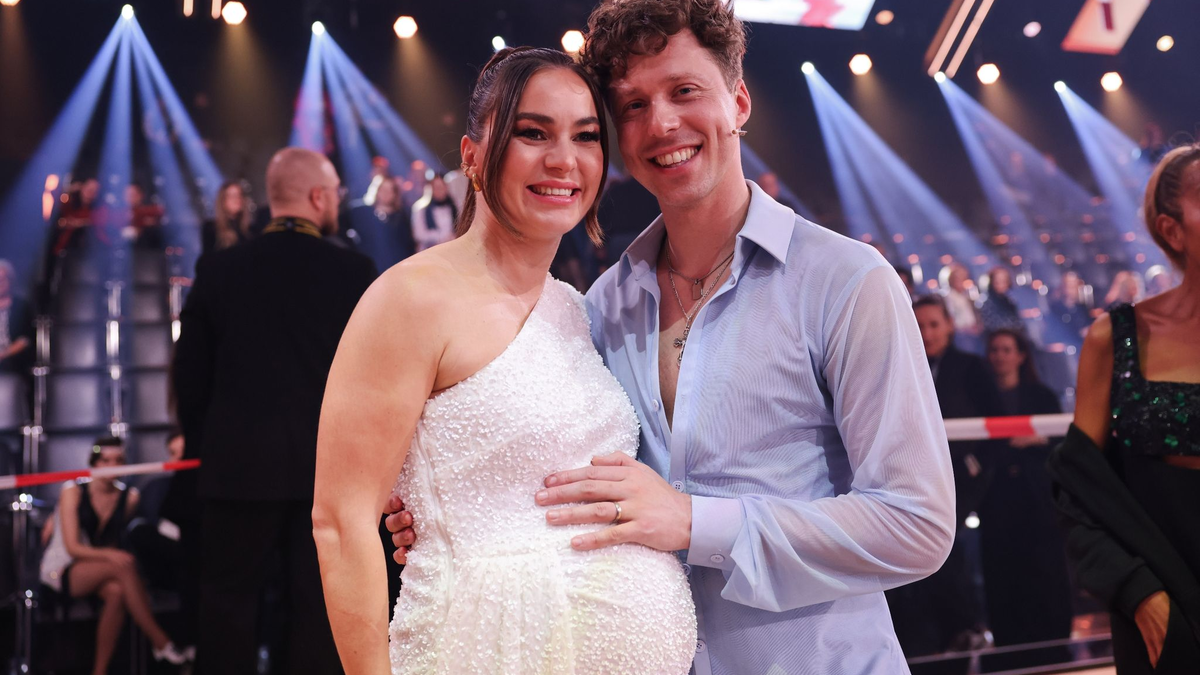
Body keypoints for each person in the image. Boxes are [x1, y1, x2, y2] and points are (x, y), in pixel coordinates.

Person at [389, 4, 956, 673]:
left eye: (684, 91)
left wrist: (695, 521)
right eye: (631, 105)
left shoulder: (846, 281)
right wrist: (460, 513)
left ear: (737, 100)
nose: (660, 123)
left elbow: (917, 524)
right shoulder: (600, 308)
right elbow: (577, 475)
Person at [314, 47, 697, 675]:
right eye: (532, 133)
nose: (563, 160)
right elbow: (340, 521)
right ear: (471, 156)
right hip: (478, 647)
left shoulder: (577, 309)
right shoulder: (409, 300)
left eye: (585, 136)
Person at [172, 147, 377, 674]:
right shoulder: (353, 271)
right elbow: (374, 381)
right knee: (315, 614)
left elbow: (188, 378)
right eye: (334, 193)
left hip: (237, 471)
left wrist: (207, 445)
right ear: (317, 197)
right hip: (326, 477)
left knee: (226, 613)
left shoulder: (218, 269)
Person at [1048, 143, 1200, 674]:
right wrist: (1141, 597)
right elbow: (1078, 494)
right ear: (1172, 229)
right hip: (1170, 612)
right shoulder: (1115, 339)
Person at [889, 295, 999, 656]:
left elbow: (994, 423)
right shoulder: (901, 366)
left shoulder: (971, 367)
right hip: (915, 483)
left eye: (934, 324)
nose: (927, 332)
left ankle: (971, 629)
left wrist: (975, 470)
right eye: (920, 325)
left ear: (950, 325)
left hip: (966, 489)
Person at [38, 437, 191, 673]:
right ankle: (162, 644)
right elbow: (72, 547)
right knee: (122, 564)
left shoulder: (129, 497)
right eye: (106, 460)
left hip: (97, 566)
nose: (112, 465)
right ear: (94, 463)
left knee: (118, 591)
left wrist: (110, 555)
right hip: (63, 566)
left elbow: (113, 539)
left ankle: (100, 671)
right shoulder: (73, 491)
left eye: (119, 460)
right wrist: (110, 555)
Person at [979, 329, 1073, 668]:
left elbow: (1063, 444)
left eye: (1006, 349)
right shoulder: (981, 396)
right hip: (997, 501)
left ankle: (1054, 646)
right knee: (1004, 575)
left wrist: (1036, 441)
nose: (1000, 355)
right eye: (995, 349)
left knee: (1044, 572)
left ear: (1020, 355)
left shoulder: (1041, 395)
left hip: (1037, 501)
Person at [350, 173, 414, 271]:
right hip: (370, 268)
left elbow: (407, 245)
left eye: (390, 190)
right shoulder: (362, 212)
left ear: (395, 194)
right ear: (377, 191)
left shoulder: (402, 216)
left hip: (396, 268)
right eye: (383, 190)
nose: (386, 193)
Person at [201, 180, 256, 255]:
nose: (237, 199)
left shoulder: (250, 230)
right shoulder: (211, 229)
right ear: (223, 201)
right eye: (232, 196)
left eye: (239, 195)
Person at [409, 171, 458, 252]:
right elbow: (419, 234)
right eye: (436, 187)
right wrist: (441, 236)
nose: (440, 190)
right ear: (430, 188)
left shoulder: (454, 205)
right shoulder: (421, 208)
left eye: (442, 186)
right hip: (430, 251)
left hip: (451, 249)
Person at [0, 259, 33, 376]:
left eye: (3, 279)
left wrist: (3, 354)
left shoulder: (21, 306)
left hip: (12, 360)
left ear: (10, 281)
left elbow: (25, 339)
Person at [942, 262, 983, 352]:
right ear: (951, 279)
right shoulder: (949, 297)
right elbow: (951, 318)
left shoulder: (965, 296)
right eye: (958, 278)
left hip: (972, 335)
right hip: (961, 336)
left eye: (964, 278)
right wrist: (965, 329)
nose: (961, 281)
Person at [981, 265, 1024, 333]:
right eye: (998, 281)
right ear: (992, 282)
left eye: (1004, 281)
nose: (1001, 284)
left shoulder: (1009, 301)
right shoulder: (988, 305)